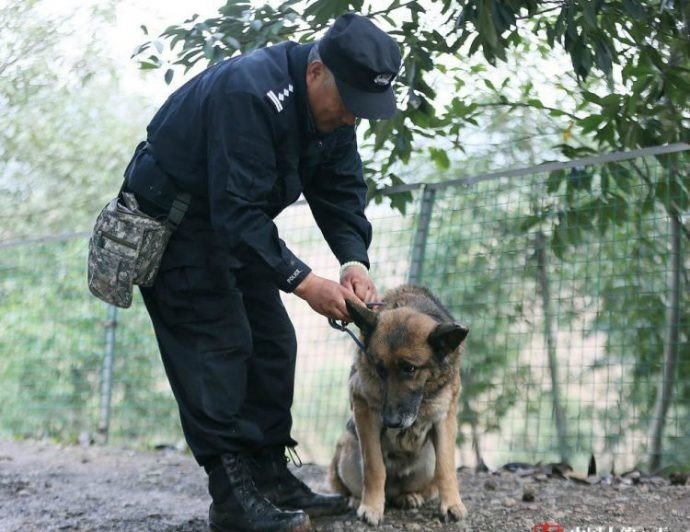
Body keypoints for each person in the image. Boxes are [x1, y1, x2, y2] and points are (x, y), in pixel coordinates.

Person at [120, 12, 402, 532]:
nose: (352, 120)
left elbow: (340, 187)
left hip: (235, 228)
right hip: (180, 225)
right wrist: (302, 280)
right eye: (349, 105)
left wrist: (352, 260)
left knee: (273, 344)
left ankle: (272, 477)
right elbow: (236, 210)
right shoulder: (248, 93)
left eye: (363, 112)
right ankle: (232, 499)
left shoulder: (334, 111)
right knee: (217, 350)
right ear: (317, 72)